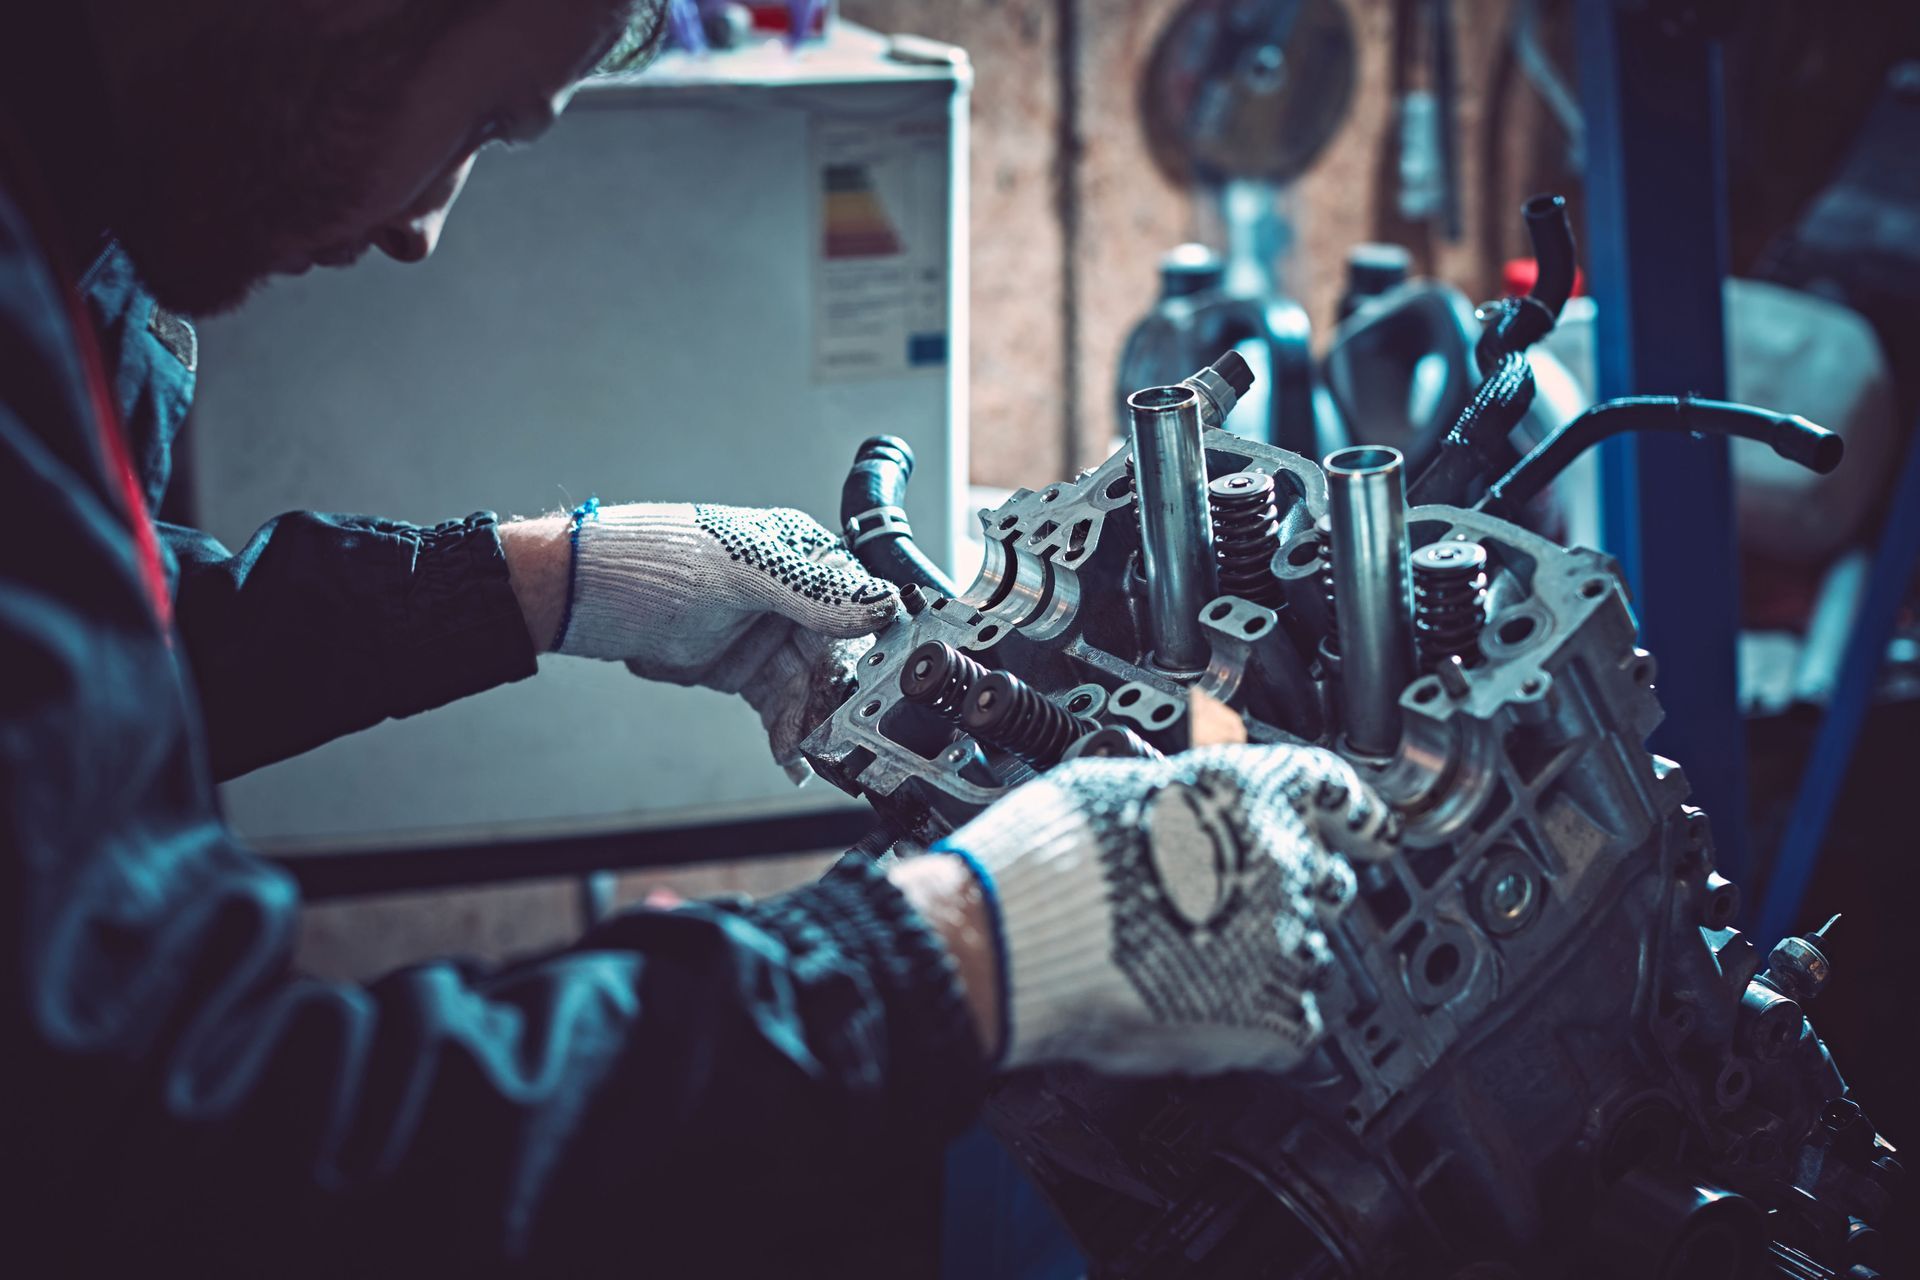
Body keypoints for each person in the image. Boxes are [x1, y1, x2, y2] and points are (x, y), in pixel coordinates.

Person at [0, 1, 1398, 1274]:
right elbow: (174, 1150)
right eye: (486, 121)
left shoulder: (63, 202)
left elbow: (92, 676)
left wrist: (549, 579)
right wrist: (956, 949)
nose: (423, 229)